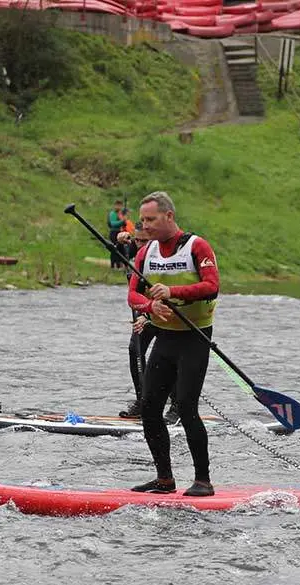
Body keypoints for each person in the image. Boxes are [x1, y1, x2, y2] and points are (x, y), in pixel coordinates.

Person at [126, 191, 219, 497]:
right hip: (165, 338)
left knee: (187, 407)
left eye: (150, 219)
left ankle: (203, 481)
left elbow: (212, 286)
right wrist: (150, 306)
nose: (145, 225)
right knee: (150, 408)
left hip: (195, 336)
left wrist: (172, 292)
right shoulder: (145, 252)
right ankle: (164, 479)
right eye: (142, 220)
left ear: (169, 216)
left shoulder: (197, 246)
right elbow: (133, 296)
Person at [116, 224, 180, 424]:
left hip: (169, 312)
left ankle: (177, 406)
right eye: (137, 240)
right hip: (146, 310)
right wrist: (119, 241)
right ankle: (142, 400)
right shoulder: (138, 251)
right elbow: (119, 254)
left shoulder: (166, 256)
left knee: (169, 356)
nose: (140, 245)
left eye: (145, 241)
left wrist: (149, 315)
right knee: (135, 349)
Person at [107, 200, 127, 269]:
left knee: (121, 249)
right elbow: (113, 224)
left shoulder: (120, 214)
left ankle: (121, 265)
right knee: (114, 248)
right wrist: (122, 221)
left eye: (120, 205)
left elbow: (125, 224)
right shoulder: (113, 214)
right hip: (114, 233)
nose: (119, 207)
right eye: (117, 205)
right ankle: (113, 265)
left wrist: (124, 221)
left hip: (119, 232)